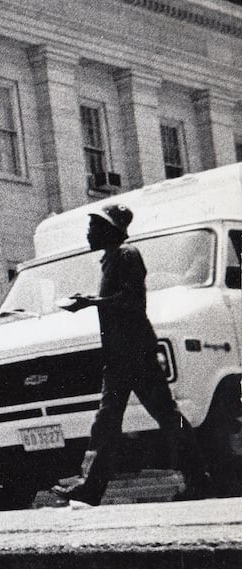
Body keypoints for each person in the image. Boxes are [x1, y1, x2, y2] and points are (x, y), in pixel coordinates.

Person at [52, 203, 212, 506]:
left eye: (94, 226)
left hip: (136, 355)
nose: (88, 232)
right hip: (120, 357)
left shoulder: (127, 255)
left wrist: (91, 303)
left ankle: (198, 477)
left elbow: (132, 301)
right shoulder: (112, 259)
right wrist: (93, 303)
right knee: (108, 421)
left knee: (164, 416)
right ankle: (90, 488)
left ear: (109, 230)